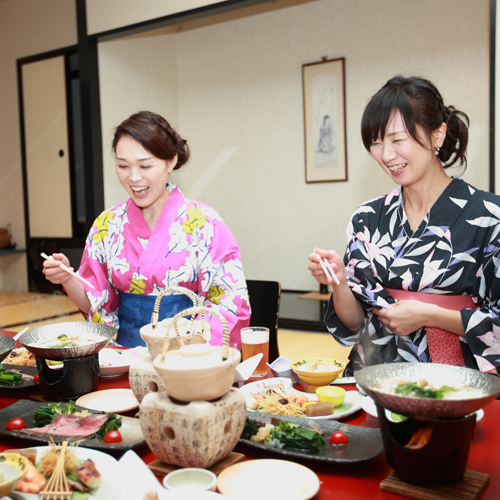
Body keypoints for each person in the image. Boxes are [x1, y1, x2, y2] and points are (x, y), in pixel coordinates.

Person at [308, 75, 500, 376]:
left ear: (437, 136)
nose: (386, 155)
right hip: (370, 378)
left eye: (398, 140)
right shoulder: (367, 217)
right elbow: (356, 323)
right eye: (376, 142)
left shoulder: (490, 217)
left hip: (452, 384)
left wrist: (431, 316)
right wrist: (340, 282)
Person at [43, 111, 250, 348]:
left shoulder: (205, 224)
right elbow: (97, 303)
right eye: (123, 165)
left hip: (188, 358)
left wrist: (180, 350)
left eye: (145, 165)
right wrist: (67, 278)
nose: (133, 177)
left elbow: (230, 305)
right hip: (122, 357)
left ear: (171, 161)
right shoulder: (106, 225)